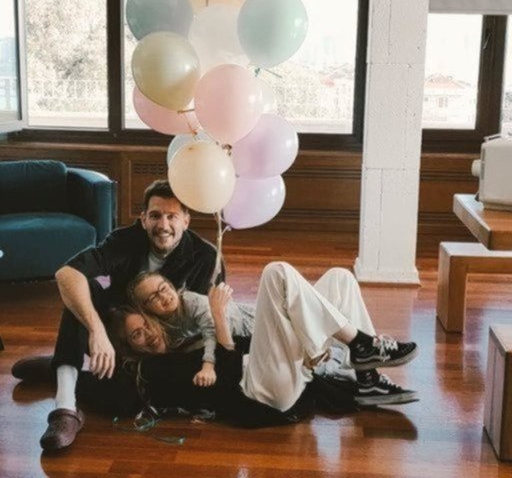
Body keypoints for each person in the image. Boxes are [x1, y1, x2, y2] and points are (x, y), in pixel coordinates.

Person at [12, 179, 222, 451]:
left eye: (172, 216)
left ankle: (58, 370)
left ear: (186, 220)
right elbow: (67, 273)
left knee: (127, 400)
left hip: (161, 345)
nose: (163, 225)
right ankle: (65, 408)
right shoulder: (125, 239)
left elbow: (207, 323)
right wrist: (97, 330)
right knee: (83, 289)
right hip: (115, 333)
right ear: (143, 219)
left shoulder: (206, 257)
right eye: (155, 215)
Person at [110, 262, 419, 426]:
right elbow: (227, 371)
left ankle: (368, 377)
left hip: (275, 362)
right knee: (276, 272)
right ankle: (362, 345)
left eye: (163, 288)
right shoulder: (160, 364)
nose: (147, 334)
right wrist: (219, 320)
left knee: (340, 278)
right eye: (137, 335)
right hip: (259, 390)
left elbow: (236, 345)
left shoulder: (187, 316)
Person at [127, 271, 255, 388]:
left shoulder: (192, 302)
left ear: (171, 286)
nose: (163, 296)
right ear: (145, 309)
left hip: (245, 326)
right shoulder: (159, 323)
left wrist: (208, 366)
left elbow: (211, 335)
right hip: (226, 342)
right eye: (153, 297)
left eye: (163, 288)